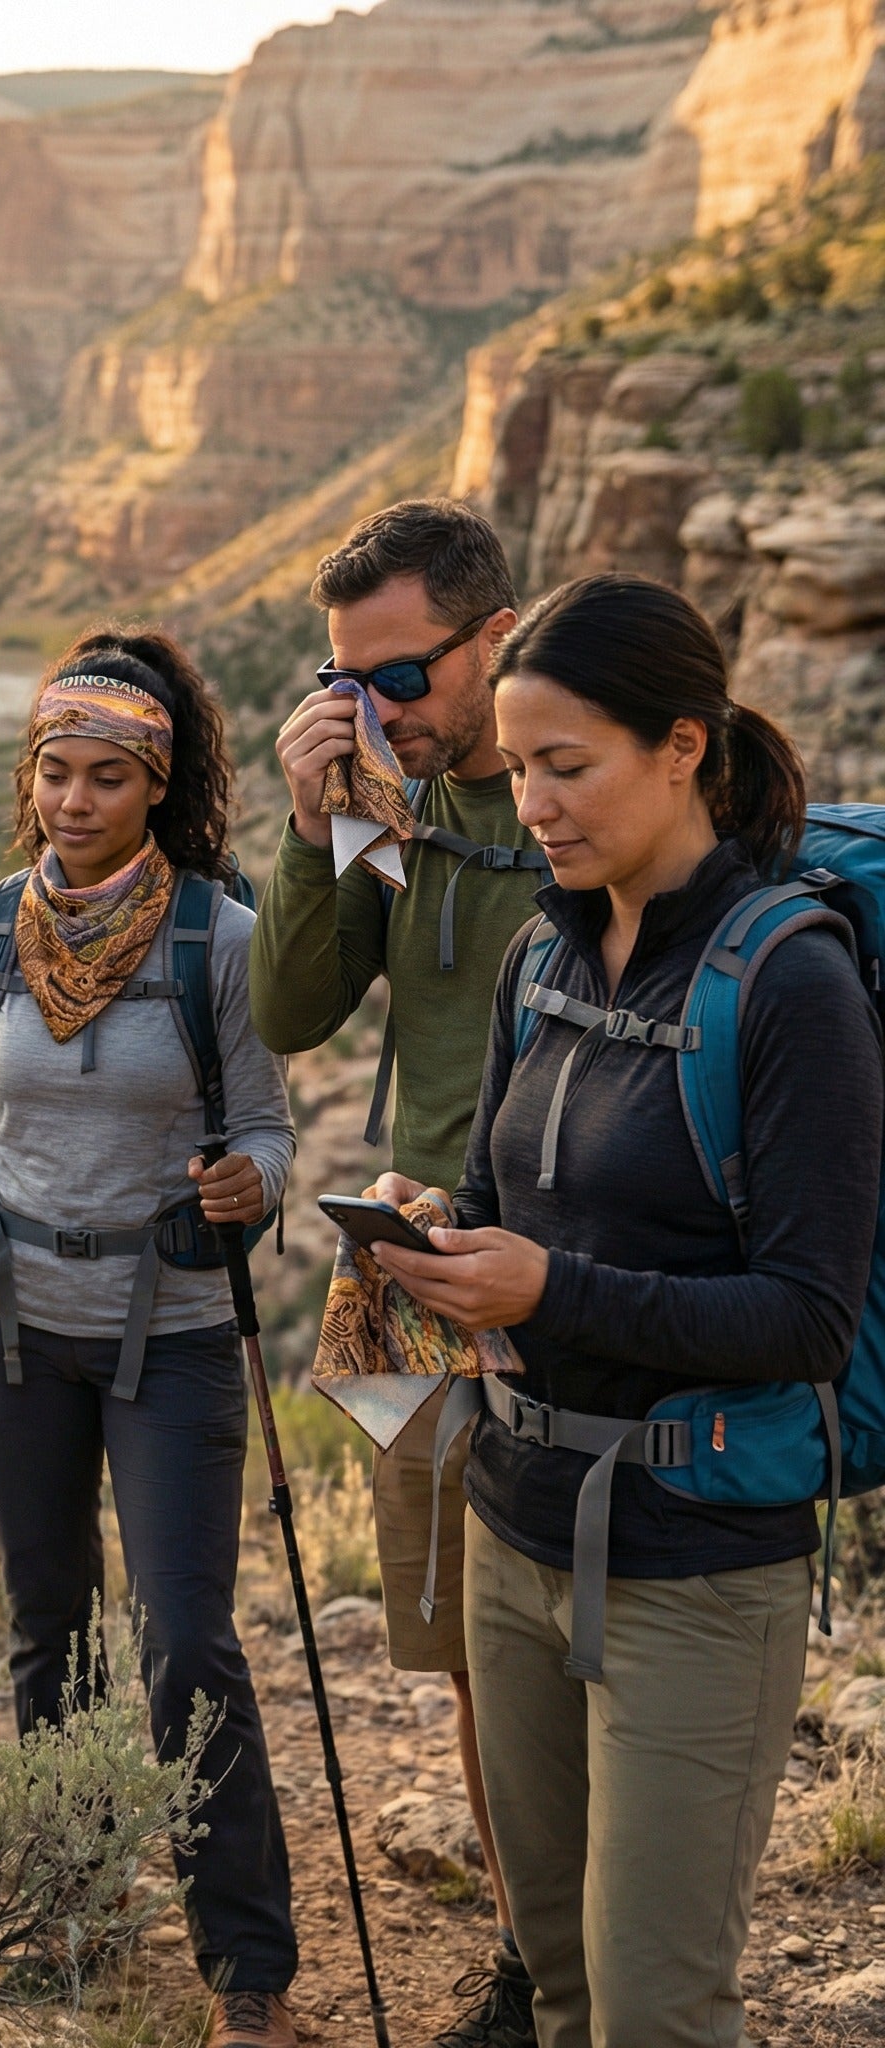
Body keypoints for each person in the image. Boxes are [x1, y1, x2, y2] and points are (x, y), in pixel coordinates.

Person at [371, 573, 881, 2048]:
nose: (532, 802)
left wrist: (551, 1285)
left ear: (682, 746)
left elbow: (804, 1322)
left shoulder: (789, 984)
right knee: (561, 1980)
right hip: (514, 1517)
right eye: (518, 766)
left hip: (696, 1563)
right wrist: (437, 1235)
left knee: (657, 2009)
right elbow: (496, 1204)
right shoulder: (546, 948)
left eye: (568, 766)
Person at [0, 627, 302, 2048]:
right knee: (48, 1634)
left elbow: (267, 1131)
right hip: (11, 1329)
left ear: (157, 788)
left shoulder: (220, 942)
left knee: (189, 1643)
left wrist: (253, 1186)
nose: (70, 802)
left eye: (106, 778)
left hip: (170, 1336)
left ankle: (246, 1965)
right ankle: (70, 1903)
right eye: (53, 772)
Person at [249, 499, 537, 2045]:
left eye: (402, 679)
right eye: (343, 680)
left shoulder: (580, 790)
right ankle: (522, 1963)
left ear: (498, 634)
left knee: (581, 1639)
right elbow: (294, 1011)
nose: (372, 712)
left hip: (559, 1262)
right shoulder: (377, 793)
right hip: (406, 1273)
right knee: (466, 1654)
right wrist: (312, 835)